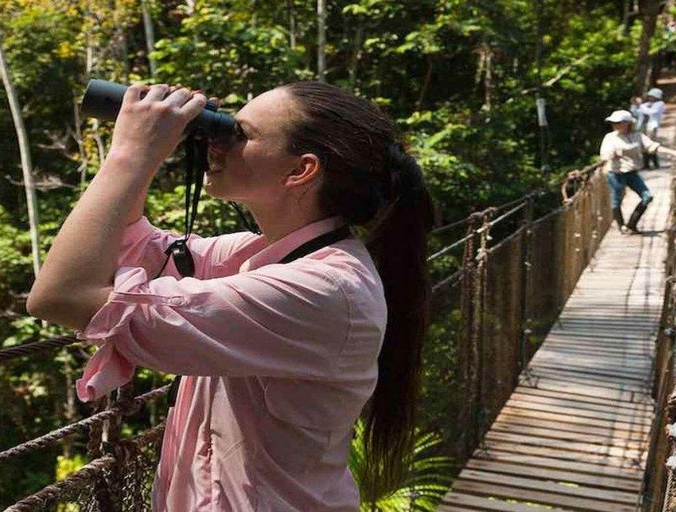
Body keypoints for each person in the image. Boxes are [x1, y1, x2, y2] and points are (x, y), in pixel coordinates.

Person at [26, 81, 435, 511]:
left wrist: (129, 154)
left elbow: (60, 296)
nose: (214, 143)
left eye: (239, 134)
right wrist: (145, 149)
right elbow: (129, 245)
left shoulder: (323, 289)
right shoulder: (264, 254)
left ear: (300, 170)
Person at [600, 109, 676, 234]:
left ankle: (632, 224)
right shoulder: (610, 138)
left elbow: (653, 147)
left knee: (647, 197)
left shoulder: (637, 136)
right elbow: (604, 156)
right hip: (616, 173)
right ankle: (621, 226)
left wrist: (673, 153)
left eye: (618, 122)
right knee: (616, 200)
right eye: (613, 122)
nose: (615, 125)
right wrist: (611, 155)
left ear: (628, 123)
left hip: (632, 172)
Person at [639, 87, 666, 169]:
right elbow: (639, 110)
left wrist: (642, 107)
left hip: (652, 126)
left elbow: (652, 112)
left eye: (652, 96)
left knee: (651, 145)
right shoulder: (648, 104)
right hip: (644, 126)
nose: (650, 98)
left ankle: (655, 163)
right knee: (643, 145)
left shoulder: (660, 104)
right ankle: (646, 164)